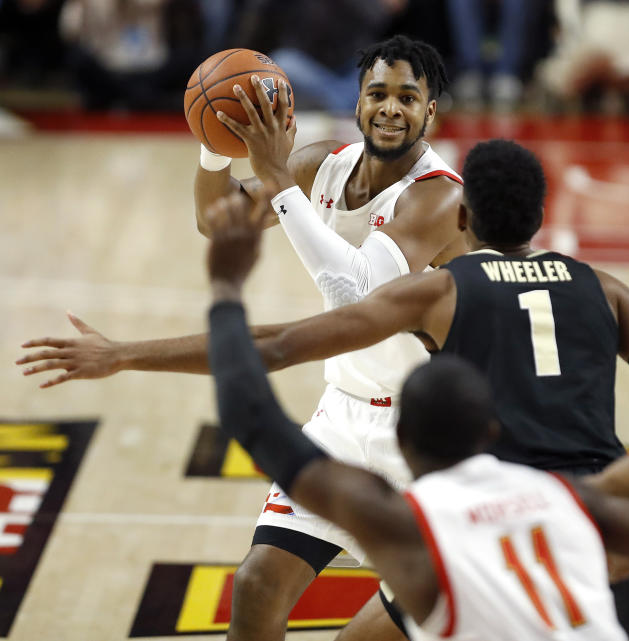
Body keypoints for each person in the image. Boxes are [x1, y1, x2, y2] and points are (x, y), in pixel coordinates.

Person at [20, 140, 629, 638]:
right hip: (611, 527)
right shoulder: (604, 286)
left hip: (499, 526)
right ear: (545, 218)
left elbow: (280, 345)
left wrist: (125, 354)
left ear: (462, 217)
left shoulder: (440, 288)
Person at [202, 189, 629, 641]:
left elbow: (251, 415)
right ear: (489, 429)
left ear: (402, 442)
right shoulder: (572, 498)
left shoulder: (411, 532)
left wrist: (227, 286)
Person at [198, 34, 466, 641]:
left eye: (408, 97)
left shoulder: (438, 195)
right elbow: (214, 220)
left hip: (427, 434)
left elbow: (360, 295)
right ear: (358, 102)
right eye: (378, 93)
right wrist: (215, 146)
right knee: (256, 585)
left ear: (431, 112)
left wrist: (274, 178)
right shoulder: (321, 164)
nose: (391, 108)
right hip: (340, 418)